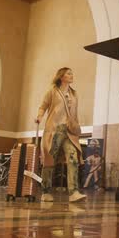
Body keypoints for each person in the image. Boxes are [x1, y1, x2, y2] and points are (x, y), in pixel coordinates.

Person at [36, 67, 86, 203]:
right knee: (49, 160)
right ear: (61, 76)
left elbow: (75, 113)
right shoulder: (52, 91)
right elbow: (43, 106)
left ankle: (74, 192)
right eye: (69, 73)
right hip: (55, 130)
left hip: (69, 131)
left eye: (72, 73)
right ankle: (46, 192)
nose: (71, 75)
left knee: (73, 158)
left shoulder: (74, 94)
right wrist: (39, 117)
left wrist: (76, 127)